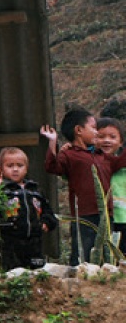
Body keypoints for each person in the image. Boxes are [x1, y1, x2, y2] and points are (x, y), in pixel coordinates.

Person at [42, 106, 126, 265]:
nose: (97, 132)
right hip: (84, 216)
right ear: (79, 130)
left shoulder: (101, 156)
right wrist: (53, 142)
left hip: (106, 216)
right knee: (83, 254)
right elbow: (52, 167)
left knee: (106, 255)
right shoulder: (69, 155)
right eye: (94, 128)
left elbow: (121, 160)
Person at [0, 147, 57, 270]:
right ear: (1, 170)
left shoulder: (35, 190)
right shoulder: (3, 190)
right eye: (10, 166)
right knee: (13, 272)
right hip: (11, 241)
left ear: (26, 169)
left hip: (34, 240)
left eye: (20, 165)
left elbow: (48, 211)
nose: (15, 169)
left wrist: (46, 222)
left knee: (36, 271)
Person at [95, 116, 125, 253]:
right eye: (101, 136)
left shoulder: (123, 168)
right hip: (99, 220)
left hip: (123, 220)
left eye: (112, 137)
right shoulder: (90, 164)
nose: (107, 140)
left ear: (121, 142)